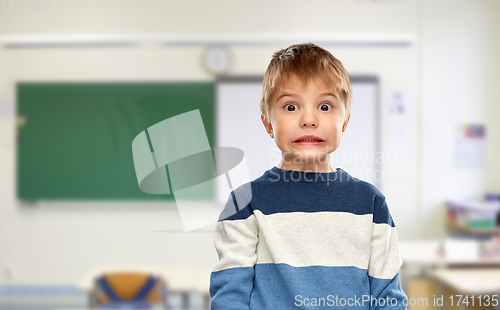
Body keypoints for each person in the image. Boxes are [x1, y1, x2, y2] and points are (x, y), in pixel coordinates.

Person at [209, 42, 407, 309]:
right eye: (291, 107)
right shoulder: (244, 202)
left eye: (325, 107)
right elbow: (230, 297)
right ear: (268, 123)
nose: (309, 119)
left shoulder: (370, 203)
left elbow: (387, 297)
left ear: (345, 122)